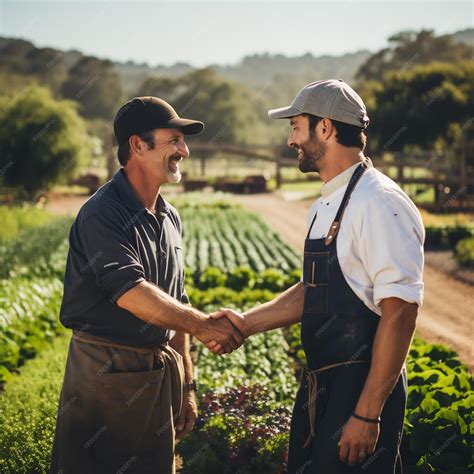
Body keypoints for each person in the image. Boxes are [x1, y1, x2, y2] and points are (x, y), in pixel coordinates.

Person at [210, 79, 425, 473]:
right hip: (323, 387)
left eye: (296, 126)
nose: (291, 139)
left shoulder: (380, 202)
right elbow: (315, 290)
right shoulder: (327, 202)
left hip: (360, 391)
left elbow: (401, 313)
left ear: (324, 128)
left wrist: (367, 414)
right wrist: (245, 324)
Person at [50, 96, 244, 474]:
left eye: (182, 142)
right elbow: (132, 293)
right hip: (108, 376)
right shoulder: (103, 213)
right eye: (173, 141)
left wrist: (187, 385)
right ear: (138, 145)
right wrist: (205, 326)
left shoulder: (169, 216)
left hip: (156, 374)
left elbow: (175, 302)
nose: (184, 150)